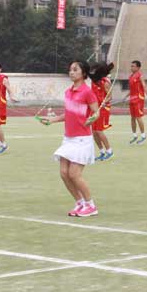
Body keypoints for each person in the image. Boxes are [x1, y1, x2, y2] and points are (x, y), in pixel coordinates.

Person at [40, 61, 101, 218]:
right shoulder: (68, 92)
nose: (71, 72)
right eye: (70, 70)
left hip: (82, 139)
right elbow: (69, 113)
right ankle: (80, 203)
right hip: (68, 138)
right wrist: (52, 120)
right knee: (64, 173)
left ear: (83, 73)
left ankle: (91, 205)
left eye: (75, 69)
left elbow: (96, 112)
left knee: (74, 174)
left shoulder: (87, 92)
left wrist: (93, 118)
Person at [89, 62, 114, 161]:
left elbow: (110, 96)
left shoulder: (105, 82)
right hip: (94, 108)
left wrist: (104, 101)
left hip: (102, 109)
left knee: (99, 131)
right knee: (94, 132)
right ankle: (102, 151)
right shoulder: (94, 81)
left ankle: (109, 151)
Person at [128, 60, 147, 145]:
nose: (131, 67)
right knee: (132, 118)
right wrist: (125, 97)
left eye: (133, 66)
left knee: (138, 117)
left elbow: (144, 87)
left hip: (138, 100)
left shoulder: (140, 76)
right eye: (131, 66)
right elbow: (131, 89)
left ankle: (143, 136)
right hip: (132, 99)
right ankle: (134, 136)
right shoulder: (131, 76)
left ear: (138, 67)